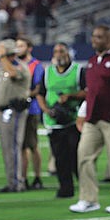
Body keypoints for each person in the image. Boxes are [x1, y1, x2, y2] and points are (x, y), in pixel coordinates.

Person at [69, 24, 110, 213]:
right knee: (83, 156)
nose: (94, 40)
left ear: (109, 39)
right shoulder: (92, 61)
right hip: (93, 118)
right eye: (93, 36)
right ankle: (89, 198)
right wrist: (83, 113)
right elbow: (92, 92)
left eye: (99, 37)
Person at [36, 42, 86, 198]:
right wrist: (46, 110)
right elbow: (40, 93)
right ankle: (65, 189)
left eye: (62, 51)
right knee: (60, 157)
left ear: (68, 53)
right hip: (54, 121)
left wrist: (70, 96)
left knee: (77, 155)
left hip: (73, 119)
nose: (59, 54)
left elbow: (88, 92)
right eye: (56, 51)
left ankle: (86, 188)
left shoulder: (78, 71)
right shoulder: (48, 71)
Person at [0, 39, 31, 192]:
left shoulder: (19, 66)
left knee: (13, 147)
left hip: (13, 111)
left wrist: (2, 58)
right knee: (7, 148)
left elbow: (12, 73)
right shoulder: (2, 67)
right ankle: (11, 181)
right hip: (1, 112)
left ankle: (17, 182)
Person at [16, 36, 45, 190]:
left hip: (31, 108)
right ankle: (23, 178)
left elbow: (39, 87)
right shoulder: (15, 64)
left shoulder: (36, 65)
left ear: (29, 48)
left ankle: (38, 177)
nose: (18, 48)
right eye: (17, 46)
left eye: (21, 46)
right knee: (21, 147)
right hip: (18, 110)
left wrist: (26, 96)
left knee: (32, 145)